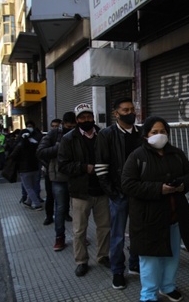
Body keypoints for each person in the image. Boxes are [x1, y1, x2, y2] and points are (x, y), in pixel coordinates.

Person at [121, 116, 189, 302]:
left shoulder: (176, 154)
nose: (159, 135)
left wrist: (181, 185)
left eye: (163, 131)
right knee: (150, 259)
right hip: (148, 219)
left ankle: (168, 287)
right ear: (146, 134)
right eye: (154, 132)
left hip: (174, 216)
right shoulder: (137, 156)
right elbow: (128, 184)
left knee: (172, 255)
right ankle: (148, 294)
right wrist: (158, 189)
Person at [57, 103, 111, 277]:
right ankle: (81, 261)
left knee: (104, 227)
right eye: (82, 117)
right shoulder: (68, 138)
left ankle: (103, 256)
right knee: (79, 230)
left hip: (102, 190)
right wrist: (83, 167)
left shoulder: (103, 134)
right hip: (80, 192)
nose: (86, 120)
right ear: (77, 120)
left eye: (89, 116)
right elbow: (63, 165)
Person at [95, 97, 143, 290]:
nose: (130, 112)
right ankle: (117, 271)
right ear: (116, 113)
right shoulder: (106, 134)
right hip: (119, 194)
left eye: (132, 109)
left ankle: (134, 263)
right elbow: (101, 167)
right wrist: (113, 193)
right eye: (125, 110)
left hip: (139, 193)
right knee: (117, 236)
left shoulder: (141, 133)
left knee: (138, 232)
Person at [37, 112, 76, 251]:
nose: (71, 129)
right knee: (60, 208)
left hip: (77, 176)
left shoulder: (79, 133)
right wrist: (59, 148)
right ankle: (60, 237)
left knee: (78, 209)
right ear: (63, 123)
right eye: (68, 126)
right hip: (59, 178)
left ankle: (79, 236)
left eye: (73, 126)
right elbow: (40, 152)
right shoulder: (54, 135)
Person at [9, 123, 44, 210]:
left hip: (24, 170)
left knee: (28, 188)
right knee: (32, 186)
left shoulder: (20, 145)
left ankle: (37, 204)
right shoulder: (34, 144)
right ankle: (28, 202)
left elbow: (12, 156)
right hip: (35, 168)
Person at [41, 118, 63, 225]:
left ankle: (66, 214)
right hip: (49, 172)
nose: (55, 128)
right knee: (50, 195)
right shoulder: (48, 137)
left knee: (64, 196)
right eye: (53, 126)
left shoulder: (64, 137)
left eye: (57, 126)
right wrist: (47, 166)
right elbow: (41, 154)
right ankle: (49, 216)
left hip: (61, 173)